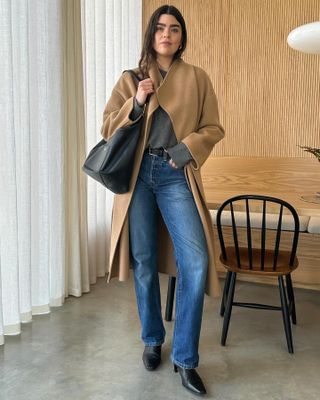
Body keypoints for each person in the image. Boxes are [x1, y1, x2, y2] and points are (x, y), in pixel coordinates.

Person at [101, 5, 225, 396]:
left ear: (181, 36)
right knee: (143, 260)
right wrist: (136, 102)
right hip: (137, 177)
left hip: (175, 176)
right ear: (151, 35)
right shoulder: (132, 77)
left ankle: (185, 359)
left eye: (174, 29)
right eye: (160, 28)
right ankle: (152, 338)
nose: (167, 35)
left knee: (196, 259)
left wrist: (186, 150)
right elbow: (107, 128)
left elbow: (213, 127)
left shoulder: (197, 78)